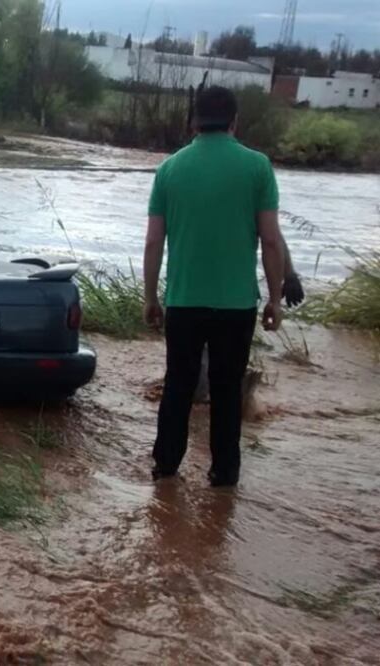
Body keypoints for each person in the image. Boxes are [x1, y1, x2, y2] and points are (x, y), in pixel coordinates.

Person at [143, 86, 287, 488]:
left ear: (193, 122)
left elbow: (154, 241)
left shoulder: (169, 169)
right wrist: (275, 299)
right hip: (237, 304)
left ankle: (165, 467)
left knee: (178, 386)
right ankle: (224, 475)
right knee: (226, 391)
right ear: (234, 122)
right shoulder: (258, 167)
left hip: (184, 301)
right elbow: (271, 240)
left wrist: (150, 297)